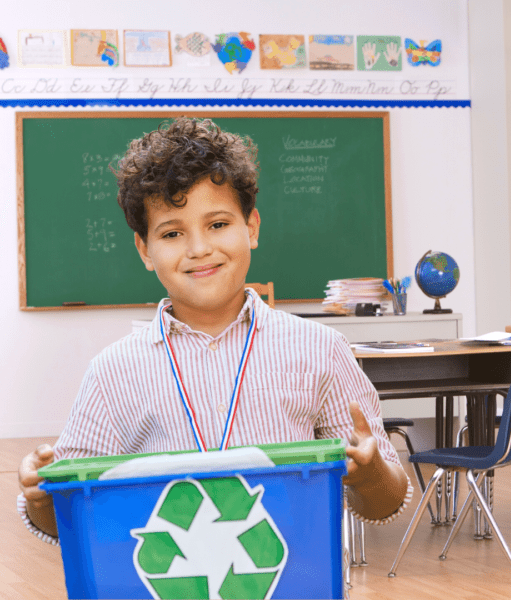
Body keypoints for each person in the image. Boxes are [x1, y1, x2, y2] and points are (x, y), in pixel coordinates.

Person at [18, 117, 412, 547]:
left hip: (295, 579)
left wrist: (371, 473)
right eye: (172, 233)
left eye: (218, 224)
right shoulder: (113, 372)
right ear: (145, 250)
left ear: (252, 227)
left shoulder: (319, 349)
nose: (199, 248)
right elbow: (69, 512)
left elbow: (385, 503)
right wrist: (41, 496)